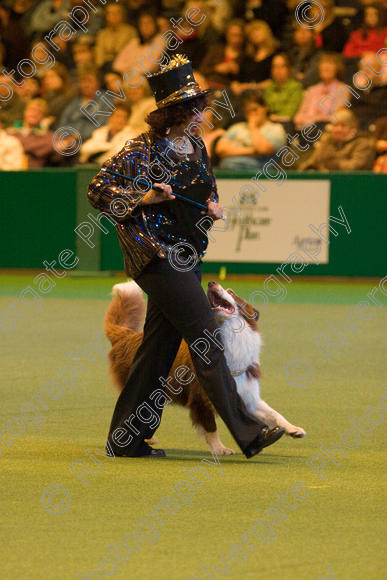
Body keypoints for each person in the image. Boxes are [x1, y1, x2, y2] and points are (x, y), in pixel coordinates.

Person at [87, 54, 284, 458]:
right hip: (155, 257)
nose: (202, 114)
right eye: (195, 107)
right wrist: (144, 196)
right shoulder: (139, 149)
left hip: (185, 257)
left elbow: (203, 192)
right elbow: (97, 190)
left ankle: (125, 440)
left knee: (156, 351)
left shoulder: (195, 145)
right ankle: (248, 433)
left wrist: (210, 207)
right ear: (175, 111)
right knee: (206, 338)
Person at [216, 91, 286, 170]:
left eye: (255, 109)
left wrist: (253, 127)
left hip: (261, 175)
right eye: (248, 111)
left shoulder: (276, 129)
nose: (252, 114)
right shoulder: (236, 127)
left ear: (265, 108)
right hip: (230, 172)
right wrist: (252, 151)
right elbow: (221, 149)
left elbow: (263, 149)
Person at [298, 109, 376, 171]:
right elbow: (313, 161)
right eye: (335, 125)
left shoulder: (362, 143)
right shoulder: (327, 141)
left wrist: (335, 164)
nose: (338, 129)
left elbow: (355, 166)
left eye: (343, 125)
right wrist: (306, 169)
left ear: (352, 127)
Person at [294, 52, 348, 131]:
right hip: (306, 127)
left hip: (326, 127)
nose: (326, 67)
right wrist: (302, 119)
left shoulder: (343, 89)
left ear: (337, 69)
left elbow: (336, 116)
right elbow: (300, 114)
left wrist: (313, 120)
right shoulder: (311, 90)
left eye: (330, 64)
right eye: (323, 64)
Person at [232, 20, 279, 96]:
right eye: (251, 33)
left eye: (257, 30)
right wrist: (235, 85)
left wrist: (250, 87)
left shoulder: (276, 54)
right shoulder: (248, 57)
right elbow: (238, 78)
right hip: (243, 92)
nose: (254, 34)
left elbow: (274, 81)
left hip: (263, 92)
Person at [199, 19, 245, 89]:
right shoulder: (217, 49)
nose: (237, 39)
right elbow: (202, 69)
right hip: (208, 84)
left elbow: (246, 79)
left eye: (239, 35)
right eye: (233, 35)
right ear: (227, 35)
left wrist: (238, 71)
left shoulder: (245, 55)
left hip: (228, 89)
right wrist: (217, 68)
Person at [95, 3, 138, 68]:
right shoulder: (102, 33)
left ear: (122, 15)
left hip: (125, 66)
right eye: (110, 13)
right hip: (106, 66)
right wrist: (100, 66)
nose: (113, 16)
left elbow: (134, 52)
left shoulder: (131, 31)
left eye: (116, 13)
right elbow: (99, 54)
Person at [263, 53, 304, 122]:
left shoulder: (295, 87)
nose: (278, 70)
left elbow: (291, 112)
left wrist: (277, 117)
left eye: (282, 66)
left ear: (289, 69)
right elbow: (265, 108)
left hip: (286, 122)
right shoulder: (269, 87)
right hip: (269, 121)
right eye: (275, 67)